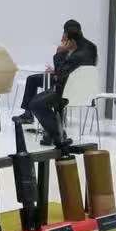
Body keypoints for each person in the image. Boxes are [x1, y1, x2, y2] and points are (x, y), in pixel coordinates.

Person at [26, 20, 97, 148]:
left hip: (69, 93)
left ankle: (59, 135)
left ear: (70, 39)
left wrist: (60, 53)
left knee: (35, 104)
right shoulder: (92, 48)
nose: (62, 39)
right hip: (86, 92)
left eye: (64, 35)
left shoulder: (75, 55)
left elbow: (59, 75)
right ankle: (52, 133)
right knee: (44, 97)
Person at [14, 20, 94, 125]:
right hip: (64, 78)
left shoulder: (79, 49)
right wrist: (56, 70)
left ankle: (55, 120)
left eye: (65, 33)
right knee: (32, 79)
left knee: (55, 89)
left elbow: (72, 72)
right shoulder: (73, 46)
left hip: (70, 85)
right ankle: (28, 114)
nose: (63, 37)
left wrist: (59, 54)